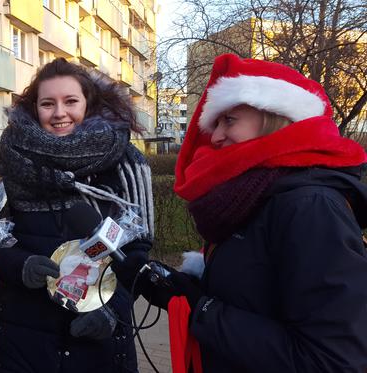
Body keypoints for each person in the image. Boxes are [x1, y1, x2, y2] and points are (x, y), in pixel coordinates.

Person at [113, 54, 367, 372]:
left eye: (229, 120)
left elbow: (332, 360)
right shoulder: (254, 197)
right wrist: (164, 286)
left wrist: (202, 310)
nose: (216, 136)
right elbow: (252, 298)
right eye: (215, 123)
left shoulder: (310, 207)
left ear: (276, 118)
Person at [0, 58, 154, 373]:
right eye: (48, 103)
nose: (59, 112)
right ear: (35, 108)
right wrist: (19, 265)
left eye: (70, 101)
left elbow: (137, 255)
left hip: (97, 345)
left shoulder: (126, 164)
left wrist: (111, 313)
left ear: (88, 104)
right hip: (25, 342)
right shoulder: (11, 162)